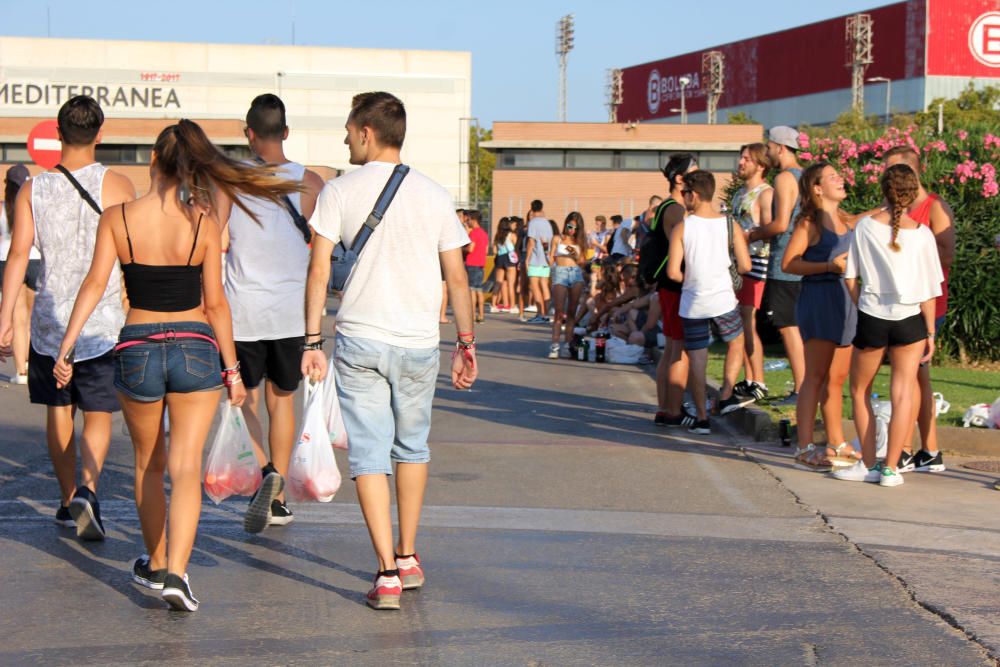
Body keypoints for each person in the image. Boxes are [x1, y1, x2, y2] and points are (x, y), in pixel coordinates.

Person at [53, 119, 293, 610]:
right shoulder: (204, 222)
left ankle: (157, 560)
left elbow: (96, 284)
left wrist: (67, 347)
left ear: (152, 163)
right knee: (185, 467)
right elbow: (216, 304)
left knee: (149, 463)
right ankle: (178, 575)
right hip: (196, 346)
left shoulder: (117, 218)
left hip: (137, 346)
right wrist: (231, 370)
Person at [301, 91, 477, 611]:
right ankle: (407, 555)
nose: (345, 138)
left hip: (359, 338)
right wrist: (466, 342)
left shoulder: (338, 192)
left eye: (349, 129)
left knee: (370, 455)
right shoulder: (434, 194)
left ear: (367, 132)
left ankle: (385, 574)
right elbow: (457, 277)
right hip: (420, 341)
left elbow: (317, 272)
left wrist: (312, 342)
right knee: (413, 447)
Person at [0, 96, 134, 540]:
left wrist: (4, 316)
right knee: (97, 411)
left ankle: (65, 499)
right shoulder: (117, 185)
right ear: (100, 134)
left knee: (60, 409)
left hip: (50, 322)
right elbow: (130, 258)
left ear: (57, 134)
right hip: (101, 321)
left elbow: (18, 255)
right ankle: (89, 491)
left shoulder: (32, 189)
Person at [224, 94, 326, 533]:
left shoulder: (227, 179)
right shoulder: (310, 183)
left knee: (242, 398)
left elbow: (215, 241)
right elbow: (322, 253)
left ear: (249, 133)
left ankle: (265, 471)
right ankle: (279, 497)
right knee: (281, 400)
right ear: (285, 132)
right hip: (290, 313)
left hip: (241, 310)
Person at [835, 164, 942, 487]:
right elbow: (930, 289)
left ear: (883, 190)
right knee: (903, 394)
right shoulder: (923, 234)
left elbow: (850, 277)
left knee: (859, 390)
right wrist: (931, 332)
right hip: (910, 319)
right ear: (913, 194)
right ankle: (892, 469)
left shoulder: (865, 227)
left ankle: (868, 464)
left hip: (872, 316)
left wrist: (864, 306)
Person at [781, 163, 860, 471]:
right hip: (819, 300)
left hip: (845, 301)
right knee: (814, 376)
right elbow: (789, 263)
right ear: (816, 188)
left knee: (837, 378)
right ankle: (804, 446)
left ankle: (837, 442)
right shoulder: (808, 223)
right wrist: (829, 267)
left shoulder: (844, 219)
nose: (841, 178)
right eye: (832, 177)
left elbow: (871, 217)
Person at [883, 146, 954, 474]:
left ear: (912, 173)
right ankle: (928, 449)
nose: (887, 177)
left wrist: (911, 253)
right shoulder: (893, 209)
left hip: (927, 301)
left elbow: (947, 254)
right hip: (903, 301)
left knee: (912, 376)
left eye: (893, 171)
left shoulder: (933, 207)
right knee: (916, 376)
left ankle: (910, 450)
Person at [667, 170, 752, 435]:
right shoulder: (730, 225)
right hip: (723, 298)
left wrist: (692, 279)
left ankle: (702, 418)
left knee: (697, 360)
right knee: (736, 342)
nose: (684, 199)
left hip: (693, 302)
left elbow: (672, 272)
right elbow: (746, 264)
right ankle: (726, 394)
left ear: (693, 194)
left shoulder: (682, 227)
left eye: (684, 194)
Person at [749, 126, 806, 404]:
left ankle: (801, 390)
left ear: (781, 148)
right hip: (802, 260)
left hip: (785, 261)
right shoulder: (805, 175)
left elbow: (781, 223)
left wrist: (751, 234)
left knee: (787, 326)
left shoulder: (785, 177)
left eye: (769, 147)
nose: (767, 152)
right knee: (794, 325)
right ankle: (804, 388)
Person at [653, 153, 699, 427]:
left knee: (672, 347)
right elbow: (684, 250)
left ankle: (665, 407)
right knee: (678, 350)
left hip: (669, 286)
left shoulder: (665, 207)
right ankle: (673, 410)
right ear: (680, 179)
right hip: (676, 284)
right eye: (695, 172)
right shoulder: (676, 210)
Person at [730, 144, 773, 403]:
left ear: (761, 165)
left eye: (747, 158)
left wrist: (747, 236)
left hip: (756, 261)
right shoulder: (737, 195)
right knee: (740, 322)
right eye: (741, 157)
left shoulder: (765, 194)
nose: (741, 162)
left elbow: (770, 228)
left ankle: (758, 379)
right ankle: (749, 378)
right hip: (735, 263)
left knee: (748, 320)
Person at [0, 164, 39, 385]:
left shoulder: (3, 208)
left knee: (17, 316)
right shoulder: (32, 206)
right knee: (34, 317)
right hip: (34, 259)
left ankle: (20, 371)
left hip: (6, 261)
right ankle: (32, 365)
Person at [548, 212, 588, 358]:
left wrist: (575, 254)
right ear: (565, 224)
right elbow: (551, 258)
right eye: (570, 226)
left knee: (571, 312)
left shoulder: (580, 241)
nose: (572, 230)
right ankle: (554, 345)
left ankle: (567, 344)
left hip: (575, 273)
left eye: (575, 228)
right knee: (559, 312)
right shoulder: (557, 238)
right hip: (560, 272)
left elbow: (583, 262)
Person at [524, 200, 553, 323]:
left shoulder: (533, 223)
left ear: (532, 208)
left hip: (535, 259)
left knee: (534, 286)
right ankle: (545, 314)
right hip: (546, 259)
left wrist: (527, 259)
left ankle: (540, 314)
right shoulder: (547, 222)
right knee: (544, 285)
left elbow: (531, 241)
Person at [464, 209, 488, 323]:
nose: (467, 222)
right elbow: (486, 250)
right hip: (481, 264)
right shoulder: (484, 233)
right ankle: (481, 315)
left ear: (474, 220)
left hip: (472, 264)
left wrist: (462, 249)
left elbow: (470, 248)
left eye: (468, 219)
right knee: (479, 290)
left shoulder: (473, 233)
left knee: (471, 290)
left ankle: (472, 315)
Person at [490, 217, 517, 313]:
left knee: (498, 282)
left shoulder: (497, 236)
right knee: (510, 284)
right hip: (509, 258)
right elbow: (514, 246)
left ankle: (493, 305)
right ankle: (513, 307)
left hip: (500, 258)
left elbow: (494, 250)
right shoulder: (512, 235)